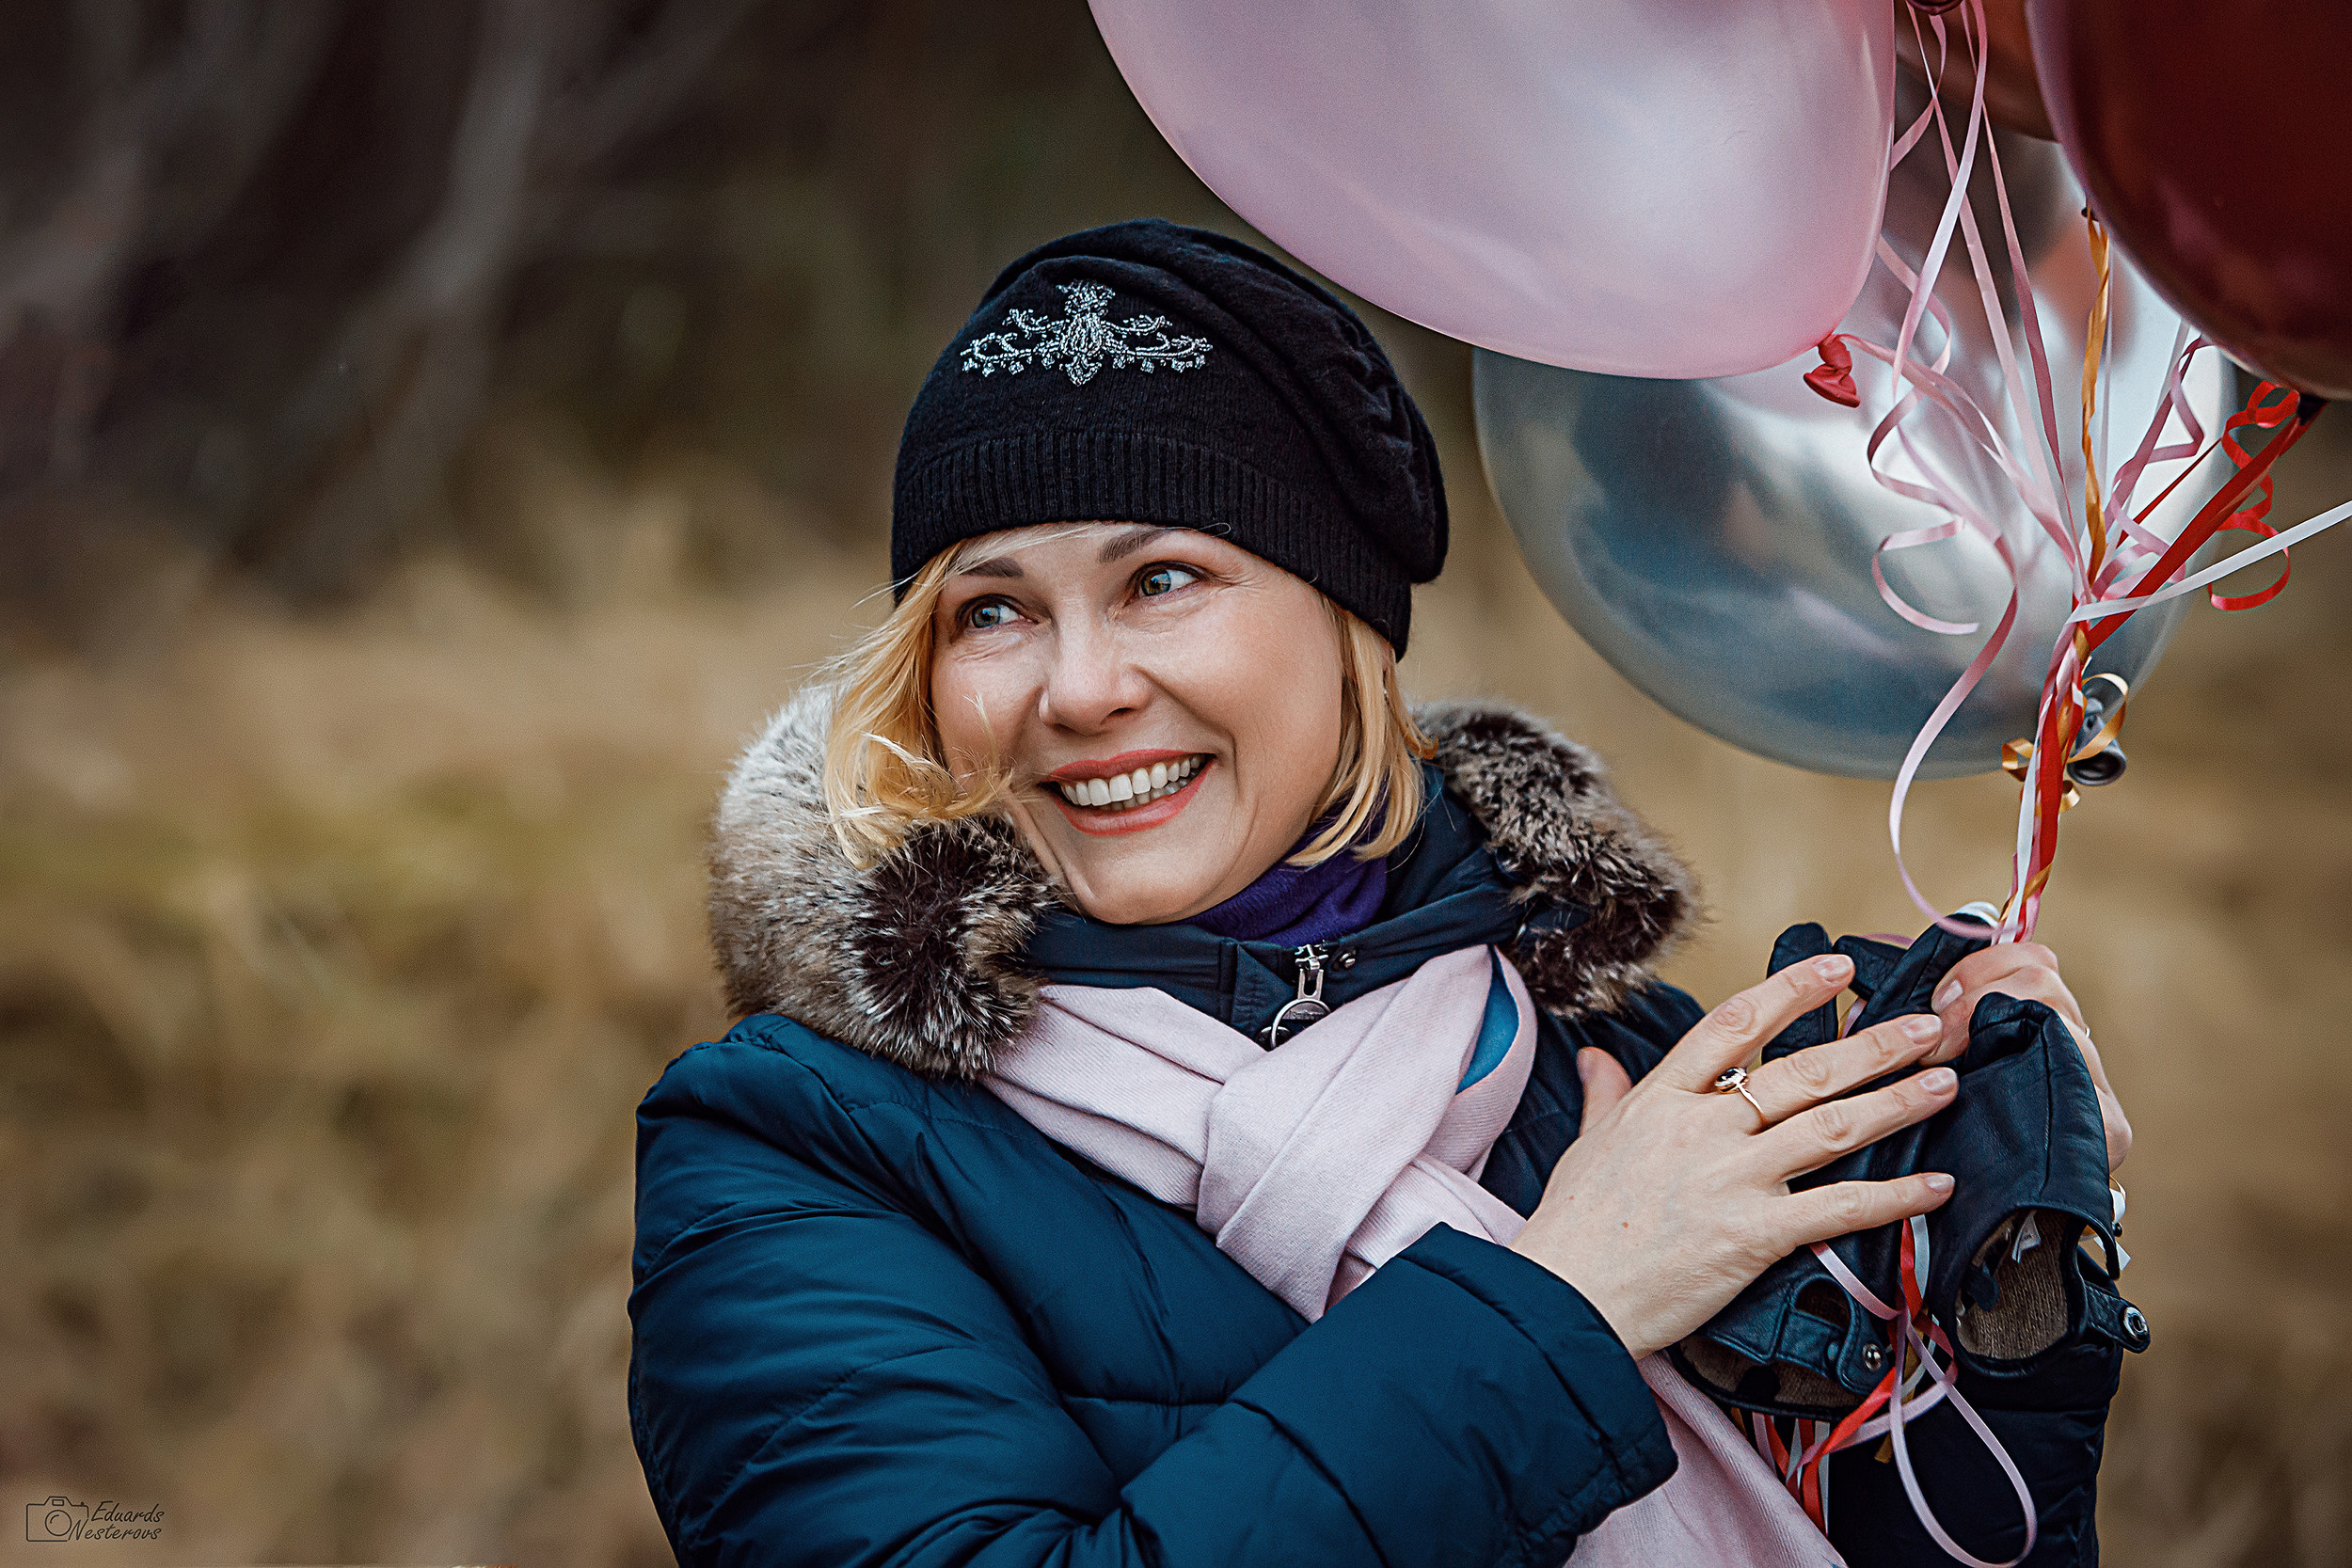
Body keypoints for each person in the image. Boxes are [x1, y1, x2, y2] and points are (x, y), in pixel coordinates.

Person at [628, 220, 2137, 1567]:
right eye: (994, 611)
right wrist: (1570, 1302)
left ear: (1345, 621)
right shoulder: (788, 1149)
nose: (1079, 690)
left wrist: (1992, 1307)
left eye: (1163, 578)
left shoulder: (1615, 1055)